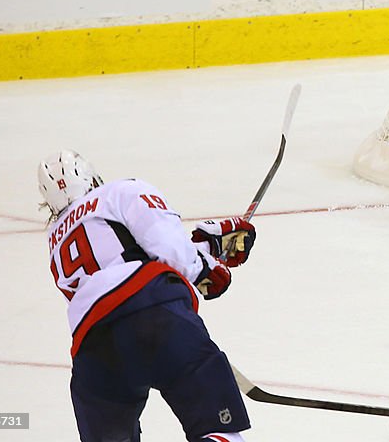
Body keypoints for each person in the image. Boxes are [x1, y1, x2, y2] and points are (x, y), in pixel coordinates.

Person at [39, 150, 256, 442]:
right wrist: (205, 268)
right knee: (217, 430)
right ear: (92, 177)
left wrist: (205, 249)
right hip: (155, 319)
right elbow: (168, 248)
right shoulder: (120, 190)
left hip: (93, 355)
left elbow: (113, 272)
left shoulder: (56, 241)